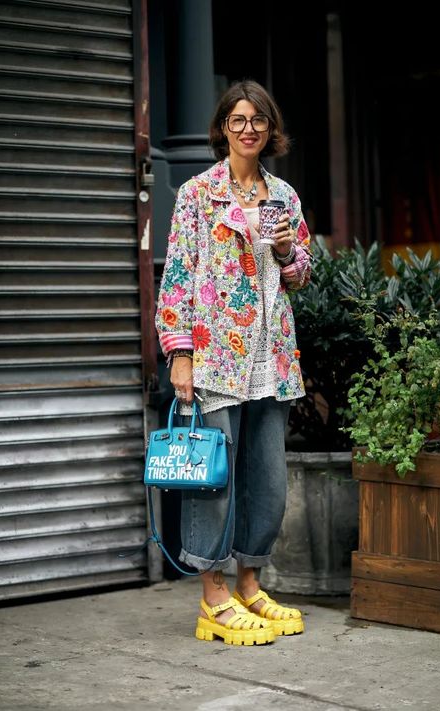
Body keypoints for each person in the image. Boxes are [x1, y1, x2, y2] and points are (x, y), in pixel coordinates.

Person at [155, 80, 311, 645]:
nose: (249, 129)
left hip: (270, 358)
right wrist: (180, 356)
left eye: (259, 121)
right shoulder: (198, 194)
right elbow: (176, 279)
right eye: (239, 119)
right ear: (223, 127)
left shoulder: (284, 198)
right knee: (215, 480)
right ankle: (213, 595)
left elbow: (301, 276)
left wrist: (289, 253)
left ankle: (250, 583)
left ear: (271, 130)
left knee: (267, 480)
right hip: (216, 356)